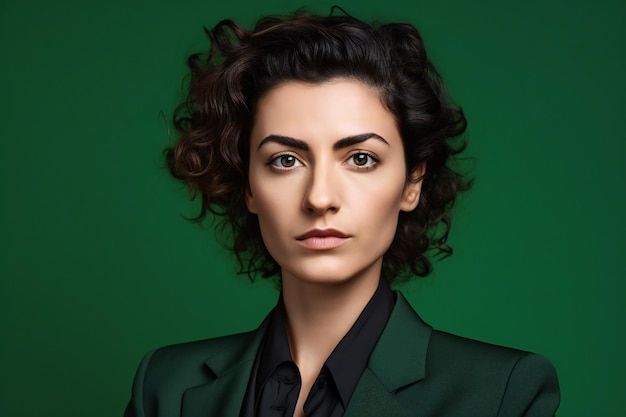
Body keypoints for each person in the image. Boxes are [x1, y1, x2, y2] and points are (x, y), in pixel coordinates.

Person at [124, 9, 560, 417]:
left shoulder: (501, 393)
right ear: (250, 188)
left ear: (412, 183)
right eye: (286, 160)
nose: (319, 197)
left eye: (361, 158)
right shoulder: (165, 387)